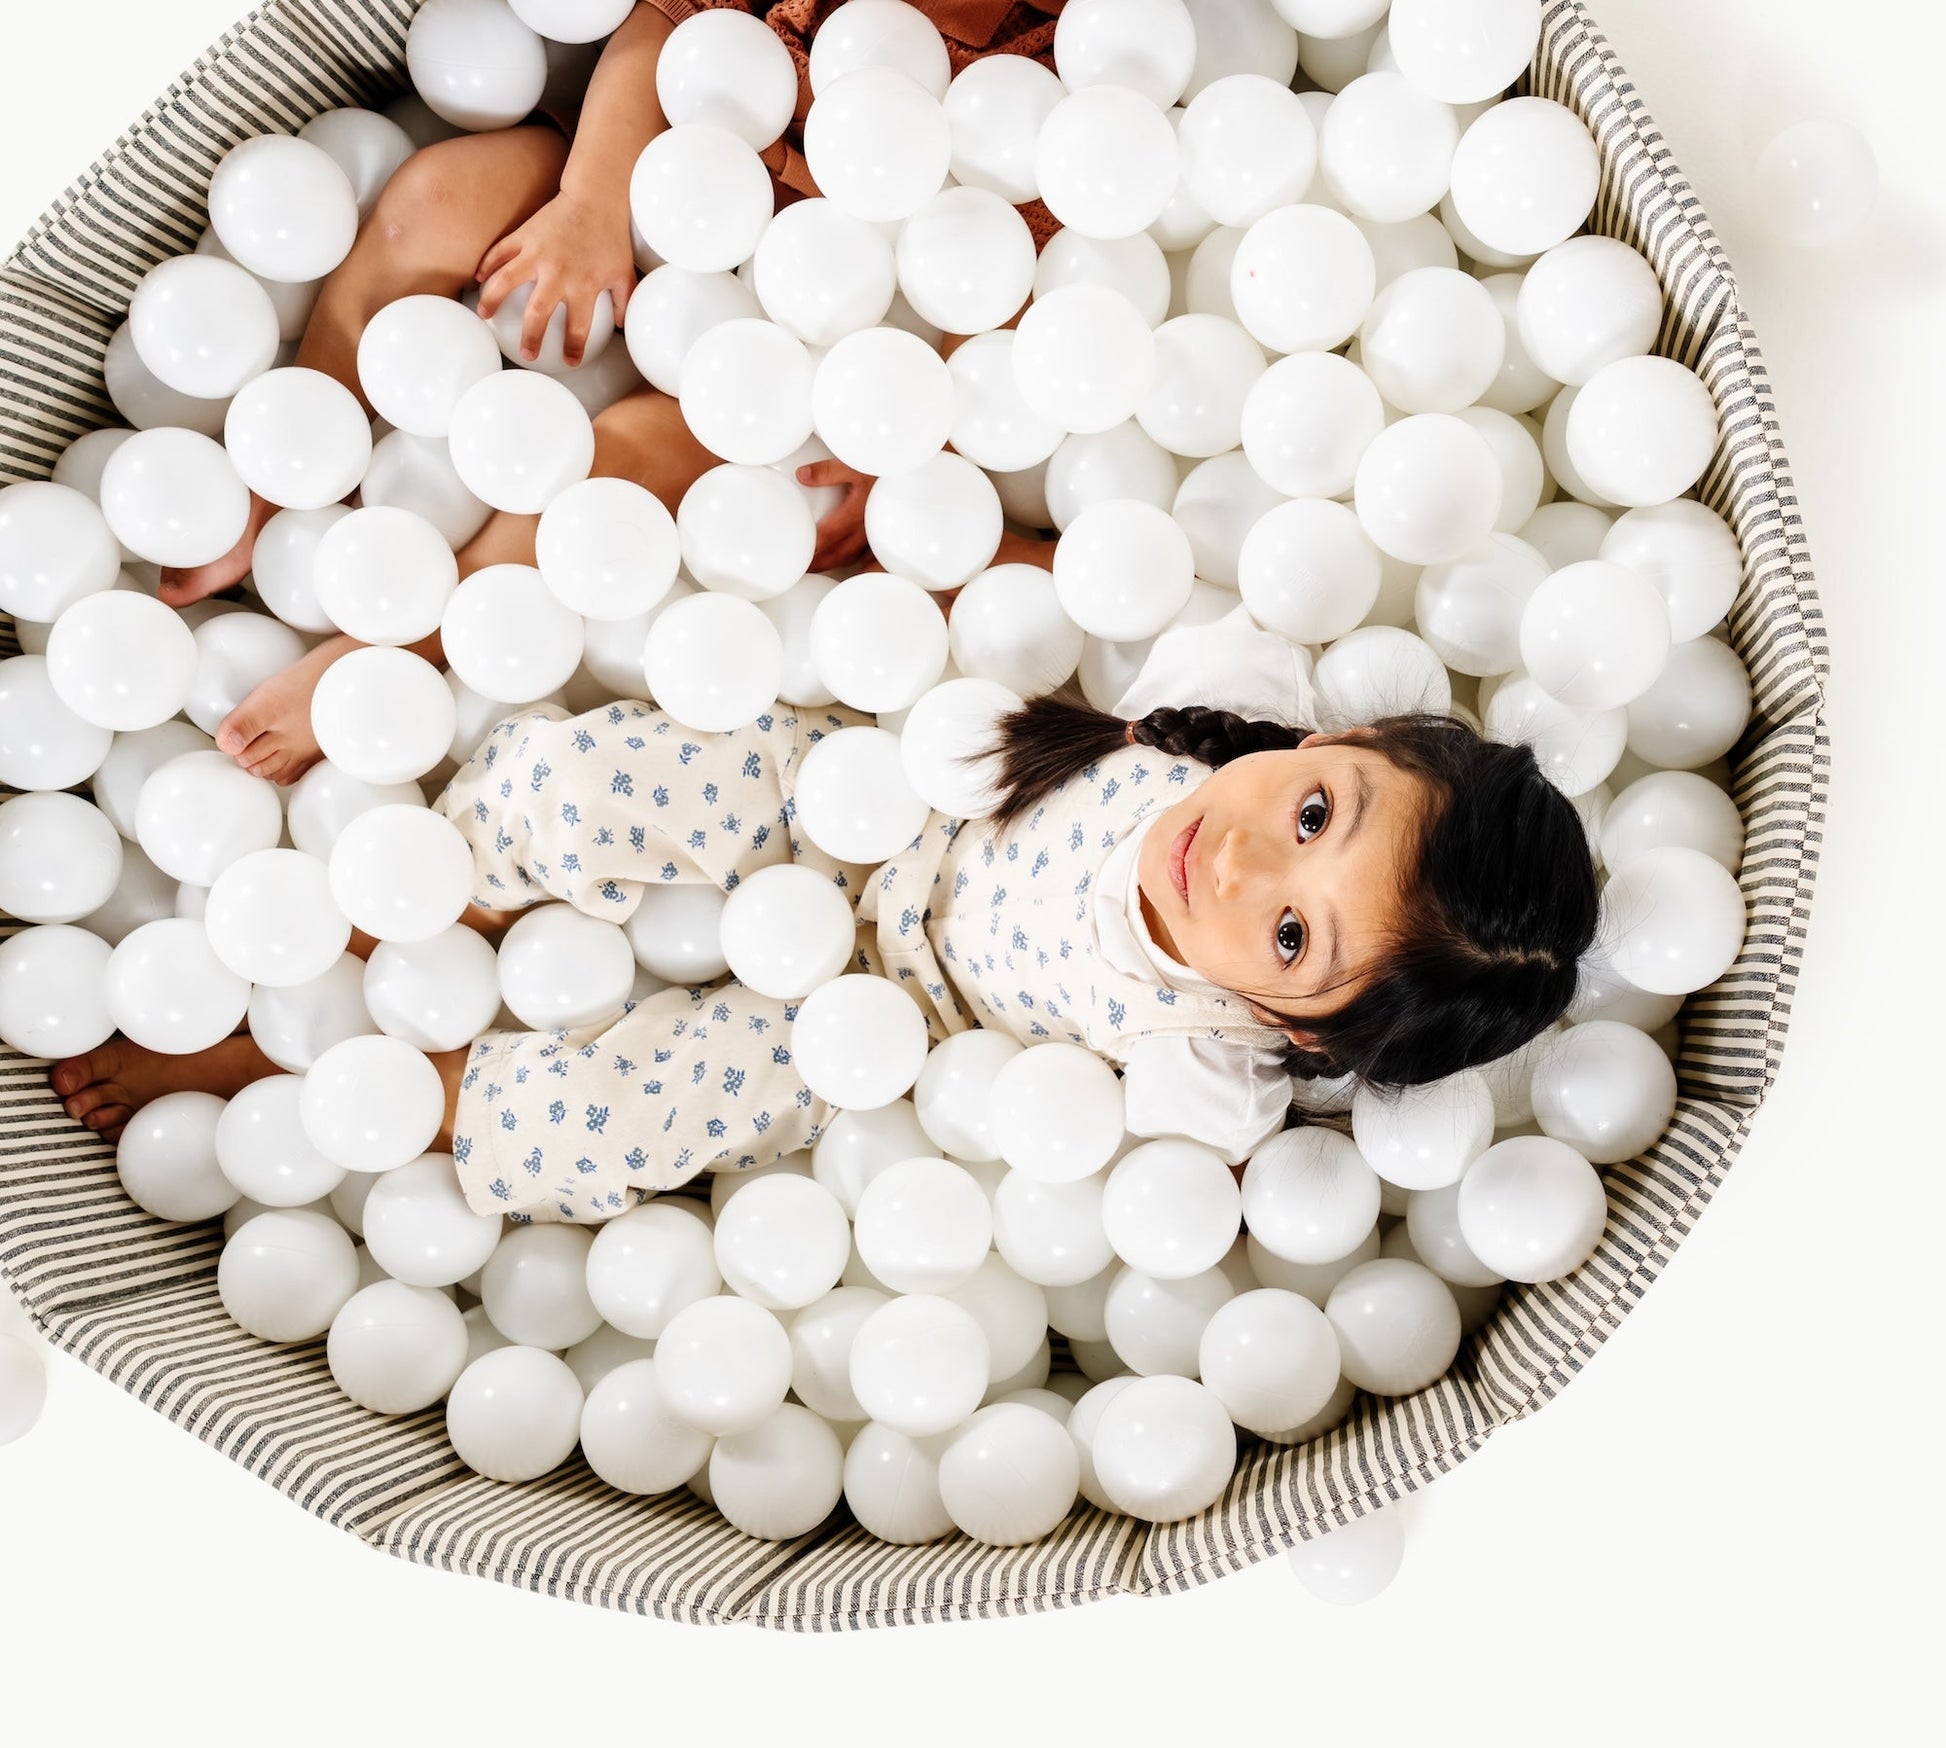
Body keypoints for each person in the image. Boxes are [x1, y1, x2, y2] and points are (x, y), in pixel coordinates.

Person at [50, 685, 1600, 1218]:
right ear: (1338, 734)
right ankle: (397, 900)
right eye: (1316, 803)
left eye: (1286, 930)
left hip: (883, 1028)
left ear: (1300, 1021)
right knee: (585, 783)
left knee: (614, 1120)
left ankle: (297, 1062)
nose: (1248, 852)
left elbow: (1183, 1172)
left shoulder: (1208, 1068)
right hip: (848, 811)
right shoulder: (1205, 703)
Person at [156, 0, 1064, 785]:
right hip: (645, 172)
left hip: (797, 337)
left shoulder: (1052, 41)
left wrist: (907, 442)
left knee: (634, 458)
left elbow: (1002, 259)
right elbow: (663, 23)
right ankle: (281, 469)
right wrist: (589, 207)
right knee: (433, 198)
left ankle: (385, 651)